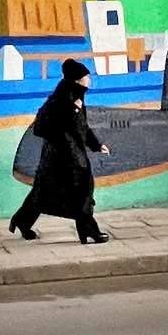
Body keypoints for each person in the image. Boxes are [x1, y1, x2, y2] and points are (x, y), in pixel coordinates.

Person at [9, 59, 112, 244]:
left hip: (70, 155)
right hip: (62, 157)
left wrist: (96, 145)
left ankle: (22, 221)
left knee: (45, 192)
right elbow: (42, 127)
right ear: (77, 80)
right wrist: (71, 111)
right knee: (81, 191)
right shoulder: (61, 100)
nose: (89, 79)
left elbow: (82, 127)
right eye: (86, 77)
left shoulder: (76, 97)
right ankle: (89, 230)